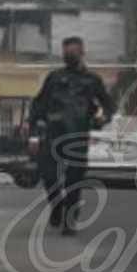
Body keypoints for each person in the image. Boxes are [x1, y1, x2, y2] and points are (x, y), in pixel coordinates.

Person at [25, 36, 115, 234]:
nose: (69, 56)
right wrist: (33, 135)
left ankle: (70, 221)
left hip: (78, 136)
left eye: (73, 52)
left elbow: (108, 105)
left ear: (82, 53)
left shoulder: (92, 80)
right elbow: (37, 106)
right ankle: (57, 207)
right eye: (66, 52)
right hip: (53, 134)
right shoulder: (54, 78)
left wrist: (102, 118)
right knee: (49, 177)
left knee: (74, 181)